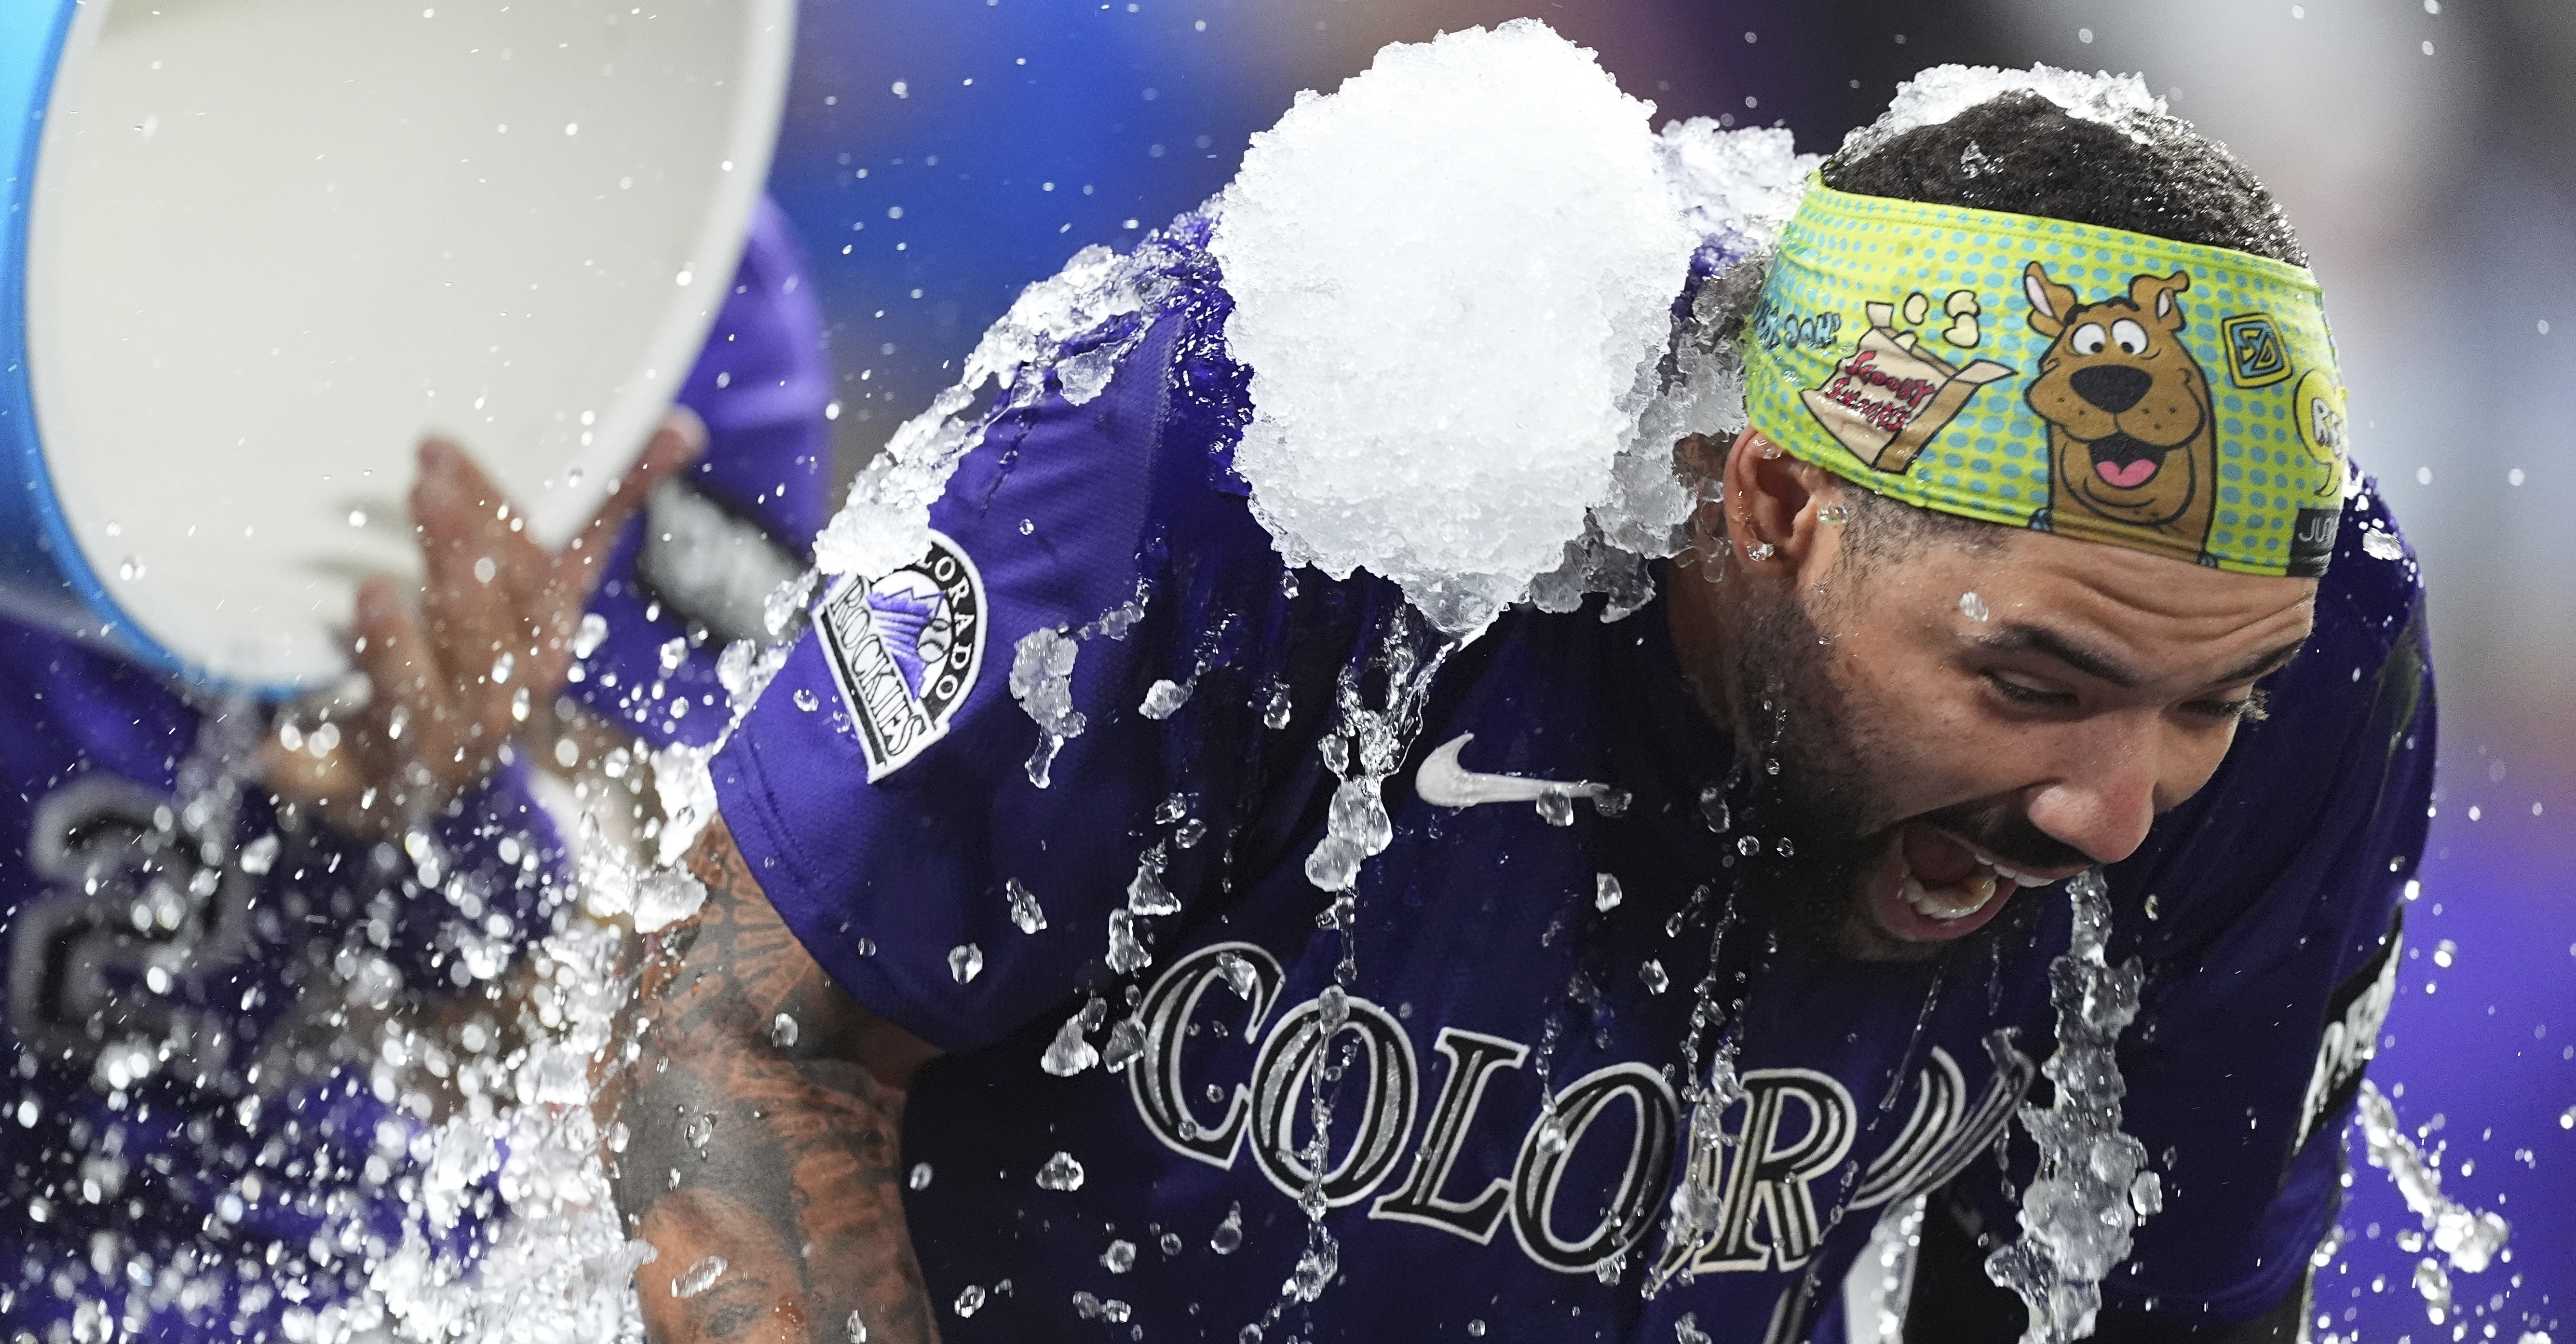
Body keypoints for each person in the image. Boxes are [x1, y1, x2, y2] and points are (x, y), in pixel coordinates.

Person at [619, 79, 2428, 1344]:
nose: (2117, 812)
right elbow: (736, 1025)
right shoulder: (1288, 439)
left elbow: (2150, 1308)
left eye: (2210, 707)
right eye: (2036, 685)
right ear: (1776, 511)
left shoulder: (2307, 641)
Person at [0, 202, 830, 1340]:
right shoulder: (50, 199)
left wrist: (456, 830)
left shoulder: (643, 227)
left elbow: (661, 989)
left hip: (371, 1280)